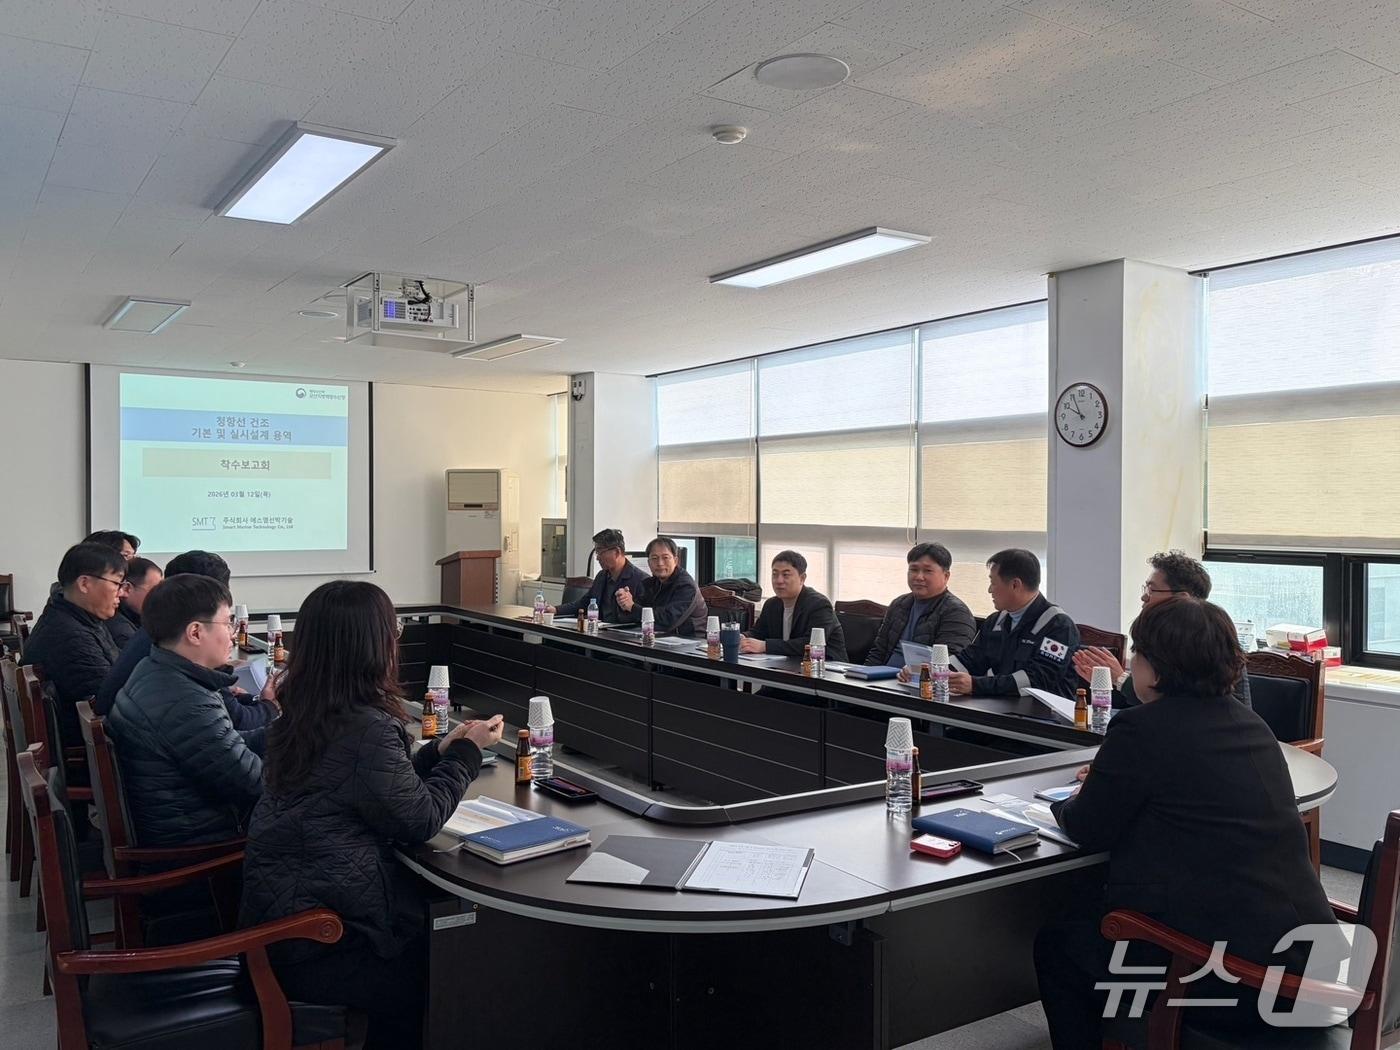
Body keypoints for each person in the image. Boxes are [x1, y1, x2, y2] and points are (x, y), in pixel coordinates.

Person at [1035, 598, 1341, 1048]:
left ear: (1155, 670)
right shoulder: (1252, 725)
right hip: (1307, 956)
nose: (1132, 664)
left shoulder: (1142, 728)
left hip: (1233, 976)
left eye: (1136, 654)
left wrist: (1081, 793)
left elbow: (1087, 827)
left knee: (1059, 943)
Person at [239, 581, 504, 1050]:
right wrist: (465, 755)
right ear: (371, 644)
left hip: (285, 912)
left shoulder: (303, 708)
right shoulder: (364, 725)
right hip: (321, 937)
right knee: (455, 963)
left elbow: (370, 786)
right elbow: (418, 818)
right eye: (393, 629)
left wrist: (438, 751)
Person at [106, 574, 264, 846]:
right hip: (201, 848)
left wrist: (294, 730)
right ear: (195, 632)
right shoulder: (183, 700)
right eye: (228, 623)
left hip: (187, 820)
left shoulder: (155, 669)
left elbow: (228, 745)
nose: (233, 633)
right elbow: (254, 784)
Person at [95, 550, 278, 730]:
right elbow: (238, 722)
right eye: (225, 622)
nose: (230, 633)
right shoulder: (177, 659)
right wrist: (272, 706)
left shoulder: (157, 636)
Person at [1074, 550, 1252, 709]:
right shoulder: (1153, 636)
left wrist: (1121, 680)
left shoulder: (1215, 642)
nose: (1144, 596)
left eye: (1152, 589)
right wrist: (1107, 686)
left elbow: (1178, 708)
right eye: (1145, 588)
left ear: (1183, 598)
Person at [22, 542, 125, 744]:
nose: (121, 593)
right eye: (117, 584)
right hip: (88, 747)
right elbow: (109, 702)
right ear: (85, 583)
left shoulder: (74, 616)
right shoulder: (70, 637)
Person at [950, 549, 1080, 698]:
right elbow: (970, 660)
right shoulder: (995, 621)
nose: (989, 590)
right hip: (1001, 707)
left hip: (1045, 715)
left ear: (1015, 585)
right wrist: (937, 670)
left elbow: (1036, 680)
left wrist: (976, 685)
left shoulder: (1059, 626)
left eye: (993, 583)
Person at [864, 542, 977, 669]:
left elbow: (950, 663)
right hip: (882, 680)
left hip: (921, 683)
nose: (919, 577)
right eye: (913, 570)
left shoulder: (957, 612)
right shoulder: (899, 604)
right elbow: (878, 652)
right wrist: (863, 678)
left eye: (928, 571)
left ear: (946, 576)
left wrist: (913, 672)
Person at [740, 550, 847, 660]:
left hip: (825, 669)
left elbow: (810, 644)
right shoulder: (771, 605)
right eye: (775, 574)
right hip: (785, 666)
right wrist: (743, 638)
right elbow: (758, 632)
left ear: (802, 578)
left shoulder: (819, 605)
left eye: (785, 575)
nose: (779, 580)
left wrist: (765, 646)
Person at [547, 528, 649, 622]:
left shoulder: (642, 580)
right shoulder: (602, 576)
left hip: (624, 637)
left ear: (617, 552)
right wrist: (556, 610)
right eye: (597, 553)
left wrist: (631, 606)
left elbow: (646, 617)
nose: (597, 558)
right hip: (599, 632)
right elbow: (585, 603)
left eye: (600, 552)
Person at [616, 536, 708, 637]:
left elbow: (668, 621)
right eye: (654, 558)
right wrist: (624, 602)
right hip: (658, 639)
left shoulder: (686, 586)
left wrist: (632, 607)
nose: (660, 563)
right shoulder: (650, 583)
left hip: (688, 642)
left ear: (676, 560)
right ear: (649, 562)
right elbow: (630, 616)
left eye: (665, 557)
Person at [106, 556, 162, 650]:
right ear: (126, 589)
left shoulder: (136, 618)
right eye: (155, 590)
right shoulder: (121, 630)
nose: (160, 597)